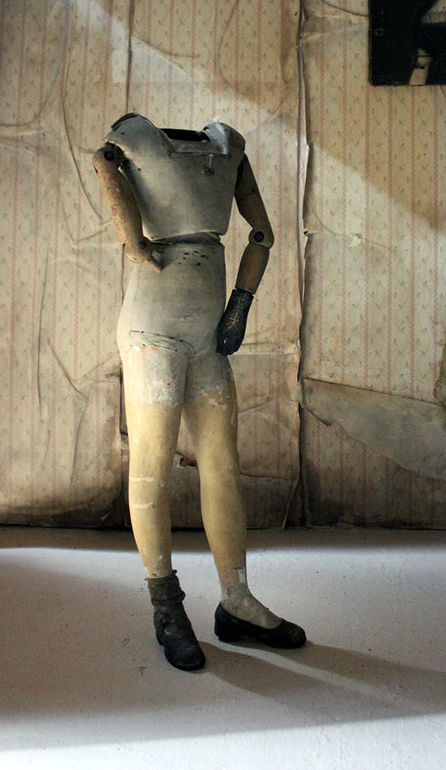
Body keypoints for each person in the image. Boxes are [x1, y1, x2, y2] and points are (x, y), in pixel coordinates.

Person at [93, 112, 305, 671]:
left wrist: (240, 305)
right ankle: (166, 605)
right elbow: (104, 161)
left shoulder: (228, 148)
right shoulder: (133, 139)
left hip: (208, 330)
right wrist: (133, 240)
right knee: (152, 464)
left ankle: (237, 600)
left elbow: (261, 234)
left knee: (221, 463)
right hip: (153, 331)